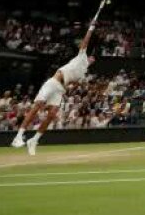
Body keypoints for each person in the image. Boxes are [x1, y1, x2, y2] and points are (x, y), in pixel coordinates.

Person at [10, 21, 97, 155]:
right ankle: (18, 137)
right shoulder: (82, 56)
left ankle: (34, 140)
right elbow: (86, 40)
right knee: (37, 106)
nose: (92, 58)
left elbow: (72, 84)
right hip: (53, 82)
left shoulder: (83, 73)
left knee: (51, 115)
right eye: (92, 56)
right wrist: (91, 27)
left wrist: (76, 84)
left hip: (60, 89)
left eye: (94, 59)